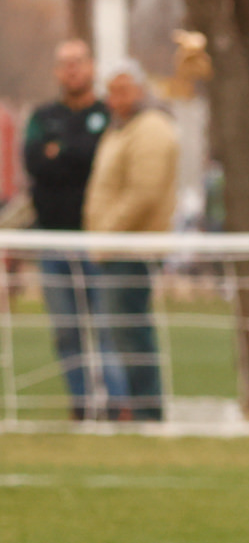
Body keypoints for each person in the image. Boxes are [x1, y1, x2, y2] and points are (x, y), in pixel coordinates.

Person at [79, 59, 178, 421]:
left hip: (131, 248)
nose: (115, 99)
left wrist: (107, 232)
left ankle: (146, 410)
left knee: (130, 331)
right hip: (115, 247)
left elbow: (144, 193)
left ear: (140, 90)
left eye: (123, 90)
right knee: (121, 331)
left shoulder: (150, 128)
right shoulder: (122, 128)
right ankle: (136, 407)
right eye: (111, 92)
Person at [21, 39, 109, 420]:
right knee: (66, 330)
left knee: (106, 326)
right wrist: (76, 153)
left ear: (91, 66)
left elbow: (98, 160)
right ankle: (82, 404)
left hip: (97, 240)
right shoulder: (43, 116)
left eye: (78, 61)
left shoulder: (106, 114)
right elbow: (35, 162)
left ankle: (117, 403)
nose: (71, 69)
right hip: (52, 240)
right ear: (57, 71)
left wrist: (63, 151)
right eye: (64, 63)